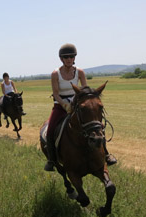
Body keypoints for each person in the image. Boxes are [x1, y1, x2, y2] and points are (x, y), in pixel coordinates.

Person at [44, 43, 117, 171]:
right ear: (61, 59)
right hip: (61, 105)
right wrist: (65, 105)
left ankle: (106, 154)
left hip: (77, 104)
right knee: (50, 131)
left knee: (98, 126)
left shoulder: (80, 72)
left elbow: (85, 91)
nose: (69, 59)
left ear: (74, 58)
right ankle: (51, 160)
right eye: (66, 57)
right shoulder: (55, 74)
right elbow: (56, 93)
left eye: (71, 56)